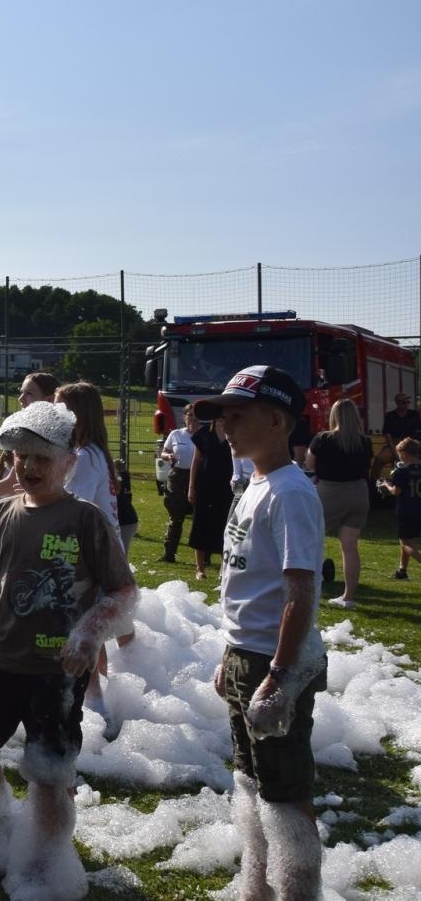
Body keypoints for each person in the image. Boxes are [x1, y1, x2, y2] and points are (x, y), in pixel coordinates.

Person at [0, 400, 136, 897]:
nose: (29, 466)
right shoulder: (3, 513)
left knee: (48, 772)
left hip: (56, 671)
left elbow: (123, 593)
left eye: (42, 457)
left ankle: (44, 868)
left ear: (68, 462)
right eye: (21, 456)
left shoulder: (85, 519)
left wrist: (88, 632)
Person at [192, 366, 327, 901]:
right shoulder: (255, 483)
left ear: (276, 420)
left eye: (238, 416)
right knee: (251, 780)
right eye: (223, 416)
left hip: (274, 660)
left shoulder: (290, 493)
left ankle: (297, 891)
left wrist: (280, 675)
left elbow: (300, 591)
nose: (225, 427)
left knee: (285, 793)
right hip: (246, 655)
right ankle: (258, 889)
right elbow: (248, 582)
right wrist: (230, 654)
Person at [306, 398, 372, 610]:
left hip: (330, 491)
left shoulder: (323, 438)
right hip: (359, 492)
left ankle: (308, 589)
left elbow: (309, 464)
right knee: (350, 548)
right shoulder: (365, 441)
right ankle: (348, 597)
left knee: (311, 539)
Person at [0, 371, 61, 509]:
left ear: (49, 400)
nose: (20, 399)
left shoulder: (58, 437)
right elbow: (12, 480)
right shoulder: (29, 432)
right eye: (21, 393)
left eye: (29, 393)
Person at [56, 382, 117, 531]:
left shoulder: (86, 457)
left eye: (59, 408)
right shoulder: (92, 451)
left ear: (78, 414)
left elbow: (73, 509)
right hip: (103, 540)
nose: (54, 414)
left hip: (97, 543)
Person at [188, 416, 233, 581]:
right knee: (201, 524)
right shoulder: (204, 433)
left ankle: (223, 568)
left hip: (227, 488)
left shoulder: (233, 432)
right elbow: (196, 461)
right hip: (205, 486)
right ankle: (200, 568)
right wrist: (191, 486)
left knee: (225, 525)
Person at [159, 405, 198, 562]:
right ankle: (169, 554)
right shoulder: (176, 434)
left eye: (196, 416)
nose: (193, 418)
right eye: (190, 415)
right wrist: (168, 456)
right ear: (184, 417)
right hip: (178, 476)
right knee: (176, 516)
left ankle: (204, 557)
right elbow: (163, 452)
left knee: (200, 518)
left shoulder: (204, 434)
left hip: (199, 477)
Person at [378, 437, 421, 579]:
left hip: (406, 510)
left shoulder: (402, 472)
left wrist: (386, 485)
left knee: (404, 543)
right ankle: (402, 571)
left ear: (404, 453)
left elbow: (396, 492)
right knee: (407, 539)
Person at [114, 458, 138, 552]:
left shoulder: (120, 478)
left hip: (126, 522)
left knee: (121, 551)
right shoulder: (123, 476)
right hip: (127, 521)